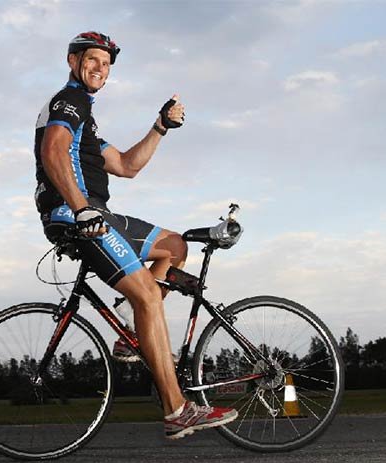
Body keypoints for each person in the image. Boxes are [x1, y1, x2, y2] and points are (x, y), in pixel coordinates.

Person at [33, 31, 237, 439]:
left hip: (96, 214)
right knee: (148, 295)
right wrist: (81, 208)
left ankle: (130, 327)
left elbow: (127, 165)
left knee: (174, 246)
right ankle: (177, 409)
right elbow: (52, 152)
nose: (100, 69)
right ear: (73, 61)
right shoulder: (69, 100)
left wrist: (160, 127)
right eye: (92, 60)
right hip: (75, 214)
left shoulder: (85, 120)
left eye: (106, 64)